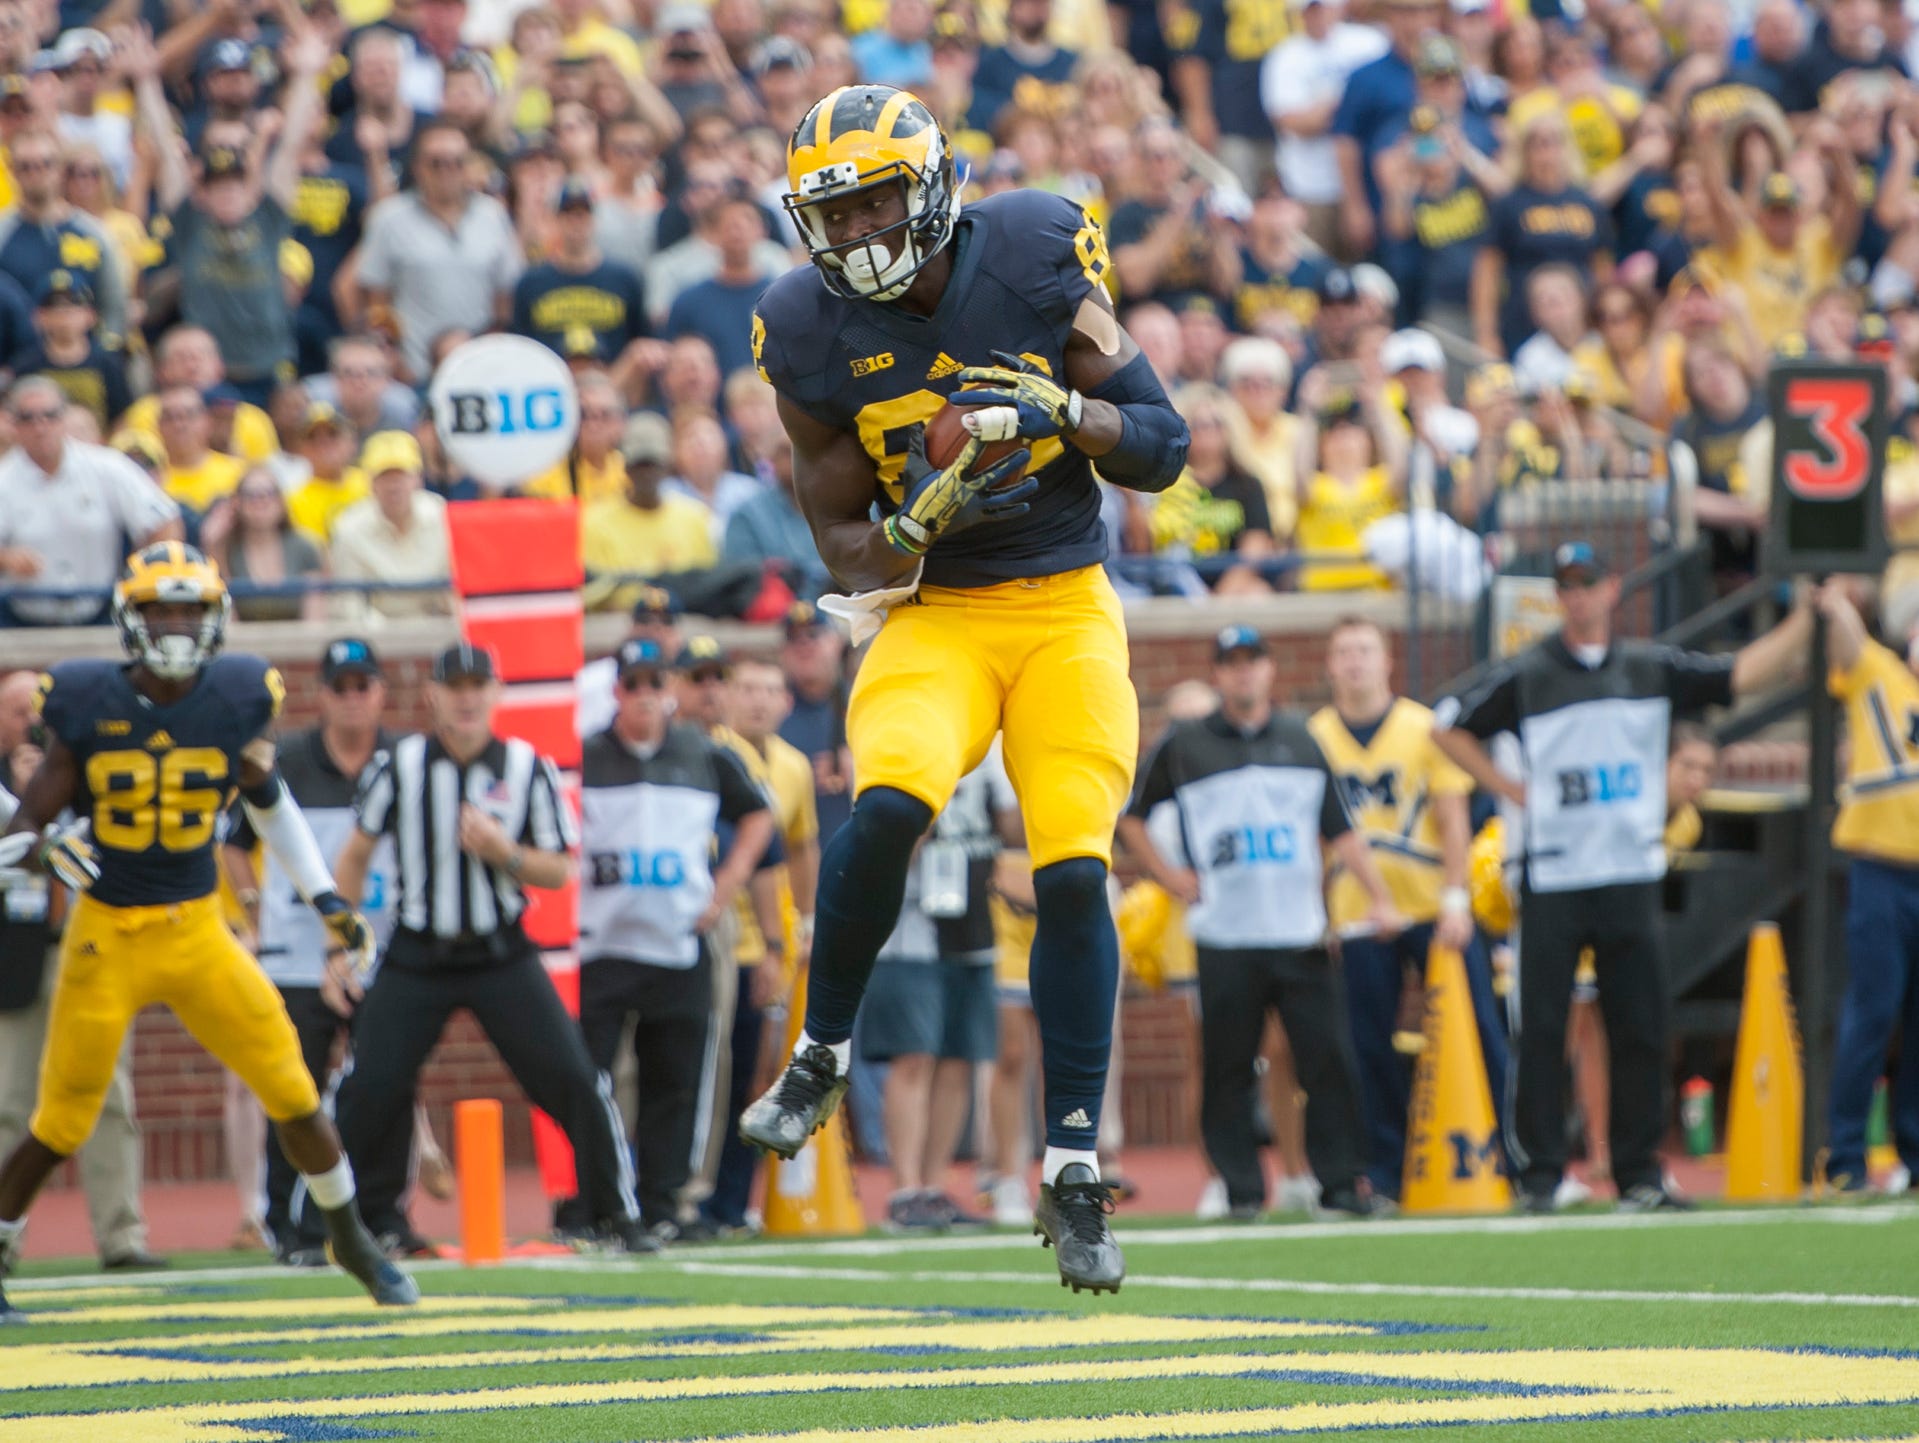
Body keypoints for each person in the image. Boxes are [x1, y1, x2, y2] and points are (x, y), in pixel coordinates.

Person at [742, 84, 1187, 1293]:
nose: (861, 233)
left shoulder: (1039, 247)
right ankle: (821, 1054)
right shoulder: (805, 322)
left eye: (881, 199)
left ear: (931, 184)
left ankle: (1071, 1166)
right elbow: (842, 542)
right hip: (933, 611)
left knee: (1071, 863)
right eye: (836, 213)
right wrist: (923, 512)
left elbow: (1164, 438)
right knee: (885, 799)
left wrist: (1069, 413)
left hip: (1058, 606)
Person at [0, 544, 414, 1319]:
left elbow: (266, 798)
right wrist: (39, 847)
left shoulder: (234, 697)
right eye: (162, 609)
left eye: (190, 609)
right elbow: (27, 823)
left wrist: (324, 895)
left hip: (198, 928)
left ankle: (352, 1239)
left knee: (292, 1087)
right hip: (108, 933)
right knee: (61, 1117)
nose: (177, 624)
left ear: (215, 617)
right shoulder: (87, 700)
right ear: (133, 618)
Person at [1432, 542, 1812, 1212]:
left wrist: (1806, 618)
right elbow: (1449, 727)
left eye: (1586, 582)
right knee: (1544, 1028)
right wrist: (1506, 787)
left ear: (1610, 591)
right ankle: (1540, 1174)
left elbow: (1739, 675)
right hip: (1553, 872)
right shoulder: (1529, 672)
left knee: (1638, 1024)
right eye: (1566, 585)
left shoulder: (1647, 666)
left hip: (1628, 867)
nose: (1576, 596)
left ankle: (1637, 1171)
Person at [331, 642, 653, 1254]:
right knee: (371, 1086)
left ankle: (612, 1212)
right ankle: (343, 1221)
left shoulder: (527, 767)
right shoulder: (399, 766)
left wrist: (502, 851)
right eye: (456, 687)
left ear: (496, 693)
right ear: (433, 696)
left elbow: (557, 870)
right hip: (418, 953)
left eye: (479, 685)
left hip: (500, 951)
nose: (468, 697)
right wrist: (339, 943)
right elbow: (354, 856)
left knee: (576, 1079)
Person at [1120, 625, 1405, 1219]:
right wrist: (1168, 877)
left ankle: (1337, 1185)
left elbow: (1341, 829)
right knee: (1227, 1069)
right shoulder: (1185, 744)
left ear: (1270, 670)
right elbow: (1133, 818)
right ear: (1218, 673)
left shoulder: (1302, 738)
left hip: (1299, 933)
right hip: (1224, 934)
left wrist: (1379, 896)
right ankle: (1241, 1189)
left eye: (1252, 662)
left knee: (1326, 1062)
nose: (1243, 673)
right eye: (1230, 663)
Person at [571, 638, 777, 1235]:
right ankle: (598, 1204)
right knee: (592, 1080)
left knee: (677, 1083)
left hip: (677, 943)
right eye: (631, 685)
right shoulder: (584, 756)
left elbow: (760, 813)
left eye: (653, 684)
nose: (643, 697)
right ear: (616, 692)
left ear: (668, 692)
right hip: (600, 946)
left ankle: (663, 1205)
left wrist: (726, 885)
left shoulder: (703, 753)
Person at [1307, 615, 1507, 1209]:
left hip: (1430, 907)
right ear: (1328, 664)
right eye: (1343, 651)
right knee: (1368, 1047)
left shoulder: (1424, 727)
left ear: (1387, 659)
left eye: (1365, 649)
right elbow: (1313, 835)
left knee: (1479, 1032)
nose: (1355, 662)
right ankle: (1387, 1172)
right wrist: (1323, 915)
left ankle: (1505, 1155)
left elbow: (1452, 818)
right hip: (1358, 912)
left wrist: (1455, 898)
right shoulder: (1313, 735)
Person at [219, 638, 411, 1259]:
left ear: (381, 692)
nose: (353, 699)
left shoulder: (402, 761)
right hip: (297, 954)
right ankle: (289, 1223)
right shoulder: (288, 760)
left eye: (364, 685)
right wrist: (253, 913)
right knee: (293, 1090)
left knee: (388, 1083)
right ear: (321, 695)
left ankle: (387, 1214)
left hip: (379, 953)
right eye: (341, 687)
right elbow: (231, 841)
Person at [0, 670, 156, 1273]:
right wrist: (23, 799)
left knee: (110, 1096)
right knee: (11, 1100)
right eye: (16, 712)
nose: (30, 725)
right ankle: (5, 1240)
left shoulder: (86, 767)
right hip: (17, 954)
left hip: (87, 946)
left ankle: (123, 1236)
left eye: (37, 712)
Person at [863, 746, 1014, 1230]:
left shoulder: (993, 758)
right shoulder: (912, 748)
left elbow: (1013, 831)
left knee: (958, 1059)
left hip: (973, 928)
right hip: (911, 930)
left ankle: (932, 1186)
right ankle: (904, 1191)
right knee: (914, 1057)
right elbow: (889, 846)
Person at [702, 656, 820, 1235]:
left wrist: (806, 921)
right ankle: (697, 1197)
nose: (757, 700)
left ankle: (730, 1202)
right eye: (746, 687)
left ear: (786, 702)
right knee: (712, 1073)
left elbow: (800, 848)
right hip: (725, 933)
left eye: (769, 690)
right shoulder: (716, 753)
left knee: (756, 1076)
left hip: (770, 942)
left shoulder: (794, 766)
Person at [1810, 583, 1919, 1195]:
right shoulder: (1880, 674)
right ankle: (1847, 1156)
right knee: (1872, 1010)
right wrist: (1837, 595)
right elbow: (1849, 644)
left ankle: (1914, 1153)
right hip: (1881, 871)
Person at [0, 375, 183, 626]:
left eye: (49, 415)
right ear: (14, 424)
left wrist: (138, 576)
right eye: (28, 418)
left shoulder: (107, 466)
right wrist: (5, 558)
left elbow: (164, 521)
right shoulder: (4, 479)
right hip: (20, 617)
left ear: (64, 418)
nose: (40, 427)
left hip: (102, 611)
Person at [329, 431, 454, 620]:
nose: (394, 485)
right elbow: (350, 604)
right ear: (371, 483)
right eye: (384, 476)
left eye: (401, 475)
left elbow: (453, 592)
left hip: (437, 627)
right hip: (378, 635)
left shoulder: (441, 515)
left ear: (418, 479)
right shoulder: (348, 528)